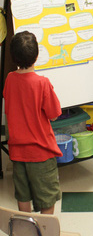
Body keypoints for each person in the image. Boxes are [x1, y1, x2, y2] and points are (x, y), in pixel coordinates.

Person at [4, 32, 61, 215]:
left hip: (17, 152)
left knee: (23, 196)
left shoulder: (9, 79)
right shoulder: (42, 83)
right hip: (41, 153)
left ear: (14, 57)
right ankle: (45, 235)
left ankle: (27, 233)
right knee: (47, 198)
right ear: (36, 56)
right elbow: (54, 115)